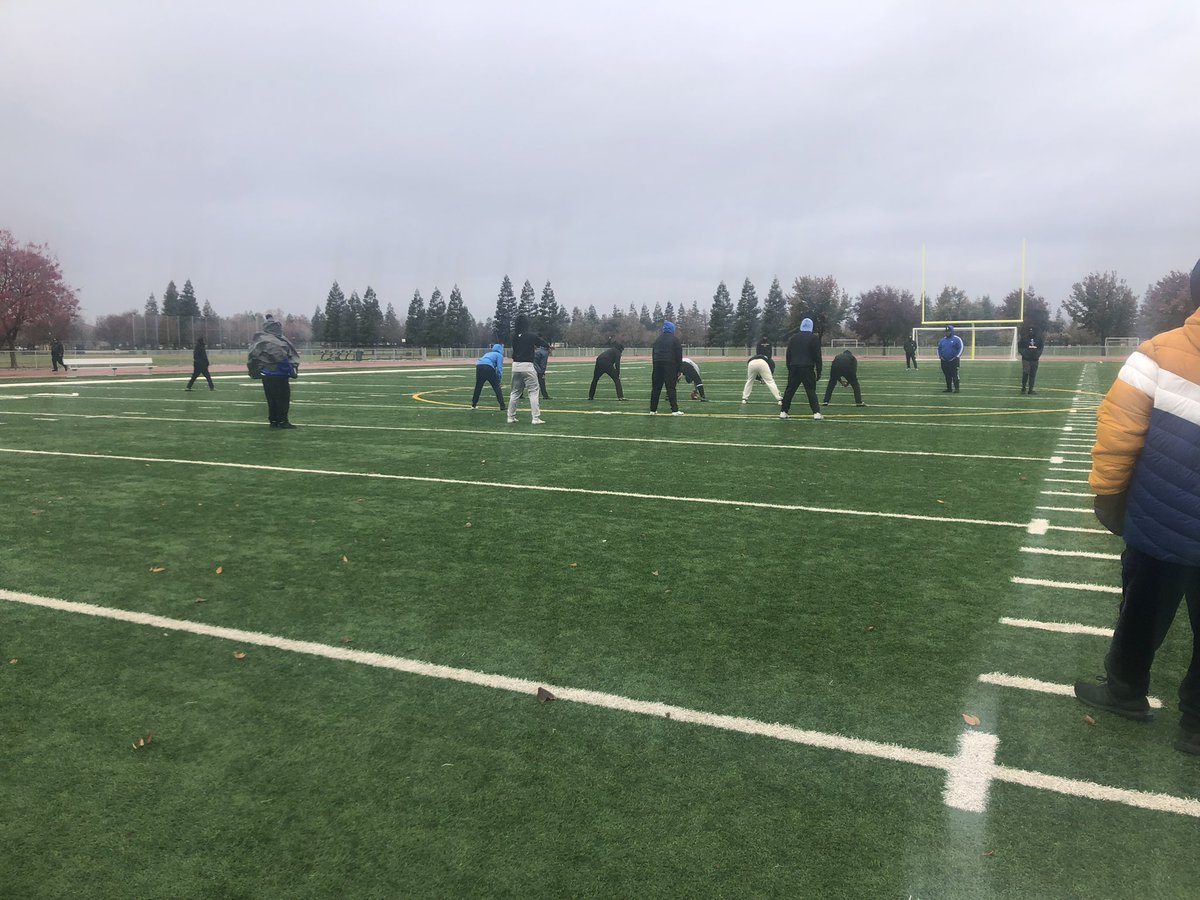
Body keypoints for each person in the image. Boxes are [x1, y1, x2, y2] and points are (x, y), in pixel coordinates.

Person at [1074, 257, 1200, 755]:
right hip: (1162, 518)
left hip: (1161, 519)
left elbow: (1119, 432)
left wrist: (1108, 496)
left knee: (1142, 610)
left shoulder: (1157, 352)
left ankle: (1126, 691)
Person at [248, 315, 299, 428]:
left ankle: (274, 420)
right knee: (283, 398)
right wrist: (291, 370)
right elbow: (280, 357)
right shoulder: (274, 341)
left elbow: (253, 358)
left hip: (267, 374)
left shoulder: (260, 339)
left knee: (271, 399)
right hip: (279, 374)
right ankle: (282, 421)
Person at [507, 315, 550, 424]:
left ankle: (510, 417)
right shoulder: (531, 336)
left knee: (515, 392)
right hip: (527, 366)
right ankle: (535, 418)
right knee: (533, 392)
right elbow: (544, 344)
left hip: (515, 366)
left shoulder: (513, 336)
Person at [780, 318, 823, 421]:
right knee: (810, 391)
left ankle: (783, 412)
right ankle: (816, 413)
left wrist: (789, 367)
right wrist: (819, 371)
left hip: (794, 367)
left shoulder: (793, 338)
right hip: (807, 368)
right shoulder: (814, 338)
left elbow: (788, 354)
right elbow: (817, 356)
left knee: (789, 390)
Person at [650, 321, 683, 415]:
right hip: (669, 364)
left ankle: (652, 410)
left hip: (657, 364)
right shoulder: (675, 340)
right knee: (671, 388)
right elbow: (678, 356)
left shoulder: (657, 340)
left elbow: (653, 354)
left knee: (656, 388)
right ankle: (675, 410)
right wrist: (679, 370)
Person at [472, 343, 505, 409]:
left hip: (479, 366)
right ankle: (502, 405)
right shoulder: (499, 355)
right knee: (496, 386)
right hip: (488, 367)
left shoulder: (487, 354)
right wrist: (499, 379)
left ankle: (474, 403)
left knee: (478, 386)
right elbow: (499, 368)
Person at [938, 325, 963, 392]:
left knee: (954, 374)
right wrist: (940, 356)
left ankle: (957, 389)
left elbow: (961, 348)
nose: (947, 333)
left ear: (951, 331)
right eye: (946, 331)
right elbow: (939, 348)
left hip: (953, 360)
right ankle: (949, 388)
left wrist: (957, 356)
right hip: (944, 360)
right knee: (947, 375)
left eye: (948, 331)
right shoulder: (942, 340)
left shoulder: (957, 339)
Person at [1019, 327, 1044, 394]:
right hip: (1026, 359)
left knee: (1032, 374)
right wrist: (1024, 354)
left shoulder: (1039, 339)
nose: (1031, 332)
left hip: (1035, 359)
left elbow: (1041, 348)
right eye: (1030, 330)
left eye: (1032, 330)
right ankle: (1023, 387)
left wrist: (1037, 355)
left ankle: (1030, 390)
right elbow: (1020, 347)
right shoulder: (1024, 339)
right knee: (1025, 373)